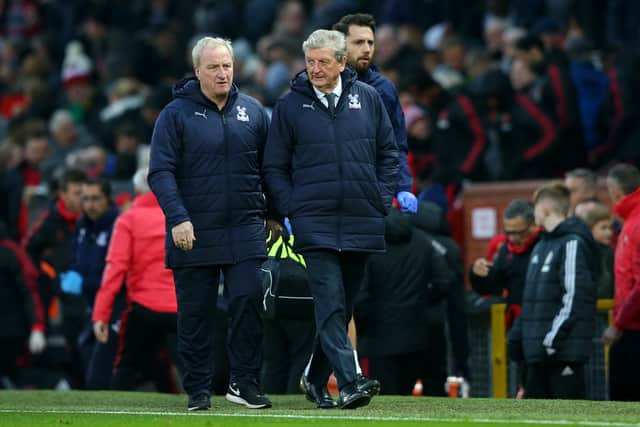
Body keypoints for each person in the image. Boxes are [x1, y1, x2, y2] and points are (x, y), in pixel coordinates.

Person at [263, 29, 398, 409]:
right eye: (310, 62)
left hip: (361, 217)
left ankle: (315, 377)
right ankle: (351, 380)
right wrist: (293, 208)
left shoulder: (369, 99)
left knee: (342, 305)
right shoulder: (290, 106)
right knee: (330, 301)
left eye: (323, 62)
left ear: (342, 62)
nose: (315, 69)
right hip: (314, 221)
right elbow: (274, 166)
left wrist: (380, 197)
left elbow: (388, 153)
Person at [148, 36, 277, 411]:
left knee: (249, 299)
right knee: (196, 314)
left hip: (244, 227)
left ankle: (244, 382)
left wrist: (273, 213)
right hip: (194, 229)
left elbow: (268, 168)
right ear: (197, 71)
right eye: (214, 67)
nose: (222, 74)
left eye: (227, 66)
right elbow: (160, 172)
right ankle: (199, 389)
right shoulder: (175, 114)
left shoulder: (253, 112)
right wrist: (178, 217)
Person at [508, 181, 597, 399]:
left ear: (545, 209)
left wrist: (549, 342)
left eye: (536, 208)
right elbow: (529, 301)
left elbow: (574, 297)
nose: (533, 214)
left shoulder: (572, 244)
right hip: (539, 356)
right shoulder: (540, 245)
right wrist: (517, 339)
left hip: (561, 355)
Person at [93, 168, 179, 392]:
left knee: (126, 367)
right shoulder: (182, 218)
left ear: (137, 190)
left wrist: (100, 314)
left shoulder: (128, 219)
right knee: (194, 368)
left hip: (143, 308)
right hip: (181, 308)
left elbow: (115, 269)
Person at [354, 208, 450, 395]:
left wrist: (362, 328)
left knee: (385, 398)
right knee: (405, 392)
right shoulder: (423, 242)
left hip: (378, 337)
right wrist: (422, 301)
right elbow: (444, 282)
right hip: (416, 334)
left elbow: (361, 296)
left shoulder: (370, 247)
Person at [333, 13, 417, 214]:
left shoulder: (384, 89)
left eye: (370, 42)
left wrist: (404, 188)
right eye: (359, 42)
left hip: (372, 194)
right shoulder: (322, 86)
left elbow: (396, 145)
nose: (367, 49)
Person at [62, 178, 120, 390]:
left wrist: (84, 280)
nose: (90, 205)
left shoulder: (118, 225)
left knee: (101, 360)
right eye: (85, 199)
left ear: (108, 199)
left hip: (114, 305)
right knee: (85, 350)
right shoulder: (82, 227)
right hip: (91, 303)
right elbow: (79, 259)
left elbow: (116, 270)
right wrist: (74, 273)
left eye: (96, 199)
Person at [470, 199, 541, 330]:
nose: (513, 238)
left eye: (519, 232)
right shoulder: (505, 249)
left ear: (533, 225)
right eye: (509, 233)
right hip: (516, 322)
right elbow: (494, 286)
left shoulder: (544, 245)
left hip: (541, 318)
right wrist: (479, 274)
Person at [602, 163, 640, 401]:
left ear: (615, 191)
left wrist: (618, 323)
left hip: (633, 331)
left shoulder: (634, 225)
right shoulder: (630, 222)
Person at [575, 200, 614, 299]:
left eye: (610, 228)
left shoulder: (610, 252)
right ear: (590, 229)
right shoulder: (584, 252)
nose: (609, 232)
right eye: (603, 228)